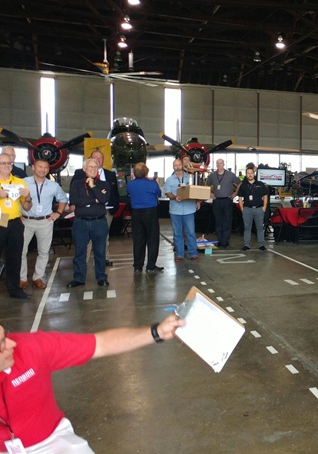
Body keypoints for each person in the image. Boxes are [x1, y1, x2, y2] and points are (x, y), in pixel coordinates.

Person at [0, 313, 186, 453]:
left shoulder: (33, 347)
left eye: (5, 335)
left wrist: (156, 332)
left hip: (51, 441)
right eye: (1, 345)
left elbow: (100, 343)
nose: (11, 344)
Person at [20, 159, 67, 290]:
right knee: (21, 251)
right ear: (33, 168)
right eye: (40, 167)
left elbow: (63, 199)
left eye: (46, 168)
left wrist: (58, 212)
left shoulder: (53, 186)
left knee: (44, 251)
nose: (43, 170)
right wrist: (17, 214)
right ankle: (22, 279)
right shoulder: (23, 183)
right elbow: (14, 199)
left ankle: (38, 277)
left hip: (45, 222)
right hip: (26, 221)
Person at [67, 158, 111, 288]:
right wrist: (94, 199)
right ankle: (79, 278)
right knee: (80, 252)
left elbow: (103, 199)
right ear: (84, 169)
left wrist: (93, 186)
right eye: (90, 167)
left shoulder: (104, 184)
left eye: (95, 167)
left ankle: (101, 277)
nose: (93, 169)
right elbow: (75, 201)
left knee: (100, 252)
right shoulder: (76, 184)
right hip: (81, 223)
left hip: (99, 222)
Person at [72, 151, 119, 266]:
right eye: (95, 158)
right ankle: (85, 261)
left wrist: (114, 206)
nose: (98, 160)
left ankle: (104, 259)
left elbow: (112, 194)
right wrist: (96, 199)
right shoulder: (79, 174)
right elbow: (75, 197)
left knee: (104, 238)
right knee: (85, 241)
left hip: (106, 211)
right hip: (85, 213)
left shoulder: (110, 175)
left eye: (100, 158)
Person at [0, 152, 32, 299]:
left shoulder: (19, 182)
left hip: (15, 222)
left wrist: (28, 196)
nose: (7, 166)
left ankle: (15, 290)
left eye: (9, 163)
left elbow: (26, 207)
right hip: (1, 221)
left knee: (15, 257)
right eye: (3, 163)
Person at [127, 162, 163, 273]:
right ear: (146, 173)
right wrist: (156, 183)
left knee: (138, 240)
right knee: (152, 239)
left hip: (136, 213)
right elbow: (159, 194)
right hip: (150, 212)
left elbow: (129, 193)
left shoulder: (130, 184)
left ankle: (138, 266)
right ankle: (150, 266)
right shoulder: (152, 184)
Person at [164, 159, 200, 262]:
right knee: (177, 233)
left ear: (182, 165)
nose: (177, 167)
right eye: (175, 166)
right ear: (173, 167)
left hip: (189, 209)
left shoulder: (190, 177)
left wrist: (198, 201)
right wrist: (175, 197)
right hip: (175, 210)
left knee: (191, 232)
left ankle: (193, 253)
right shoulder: (169, 180)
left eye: (179, 165)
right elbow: (168, 193)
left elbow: (196, 190)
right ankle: (180, 254)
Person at [205, 158, 241, 248]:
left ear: (224, 164)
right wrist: (210, 193)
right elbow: (206, 185)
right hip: (217, 200)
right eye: (217, 163)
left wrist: (235, 193)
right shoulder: (212, 176)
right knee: (218, 221)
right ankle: (219, 241)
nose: (219, 165)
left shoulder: (230, 175)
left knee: (227, 222)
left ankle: (225, 242)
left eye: (220, 163)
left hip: (227, 200)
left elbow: (240, 183)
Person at [237, 166, 269, 251]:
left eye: (251, 173)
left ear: (254, 174)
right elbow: (240, 197)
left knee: (259, 227)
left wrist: (264, 207)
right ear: (246, 174)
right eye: (248, 173)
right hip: (247, 209)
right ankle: (246, 245)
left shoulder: (260, 184)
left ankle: (261, 245)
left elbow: (265, 195)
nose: (250, 175)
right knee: (247, 228)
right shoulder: (243, 186)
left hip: (259, 209)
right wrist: (242, 209)